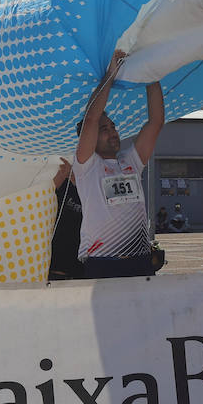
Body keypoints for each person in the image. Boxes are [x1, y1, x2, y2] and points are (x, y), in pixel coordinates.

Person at [72, 50, 165, 278]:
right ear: (90, 138)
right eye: (104, 130)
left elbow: (156, 122)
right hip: (103, 263)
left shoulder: (130, 160)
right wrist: (111, 74)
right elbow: (92, 118)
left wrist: (150, 74)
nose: (112, 132)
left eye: (113, 127)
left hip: (140, 260)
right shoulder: (86, 165)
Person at [49, 158, 84, 280]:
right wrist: (66, 174)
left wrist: (76, 180)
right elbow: (46, 192)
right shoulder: (64, 172)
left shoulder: (95, 181)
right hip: (56, 266)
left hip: (83, 266)